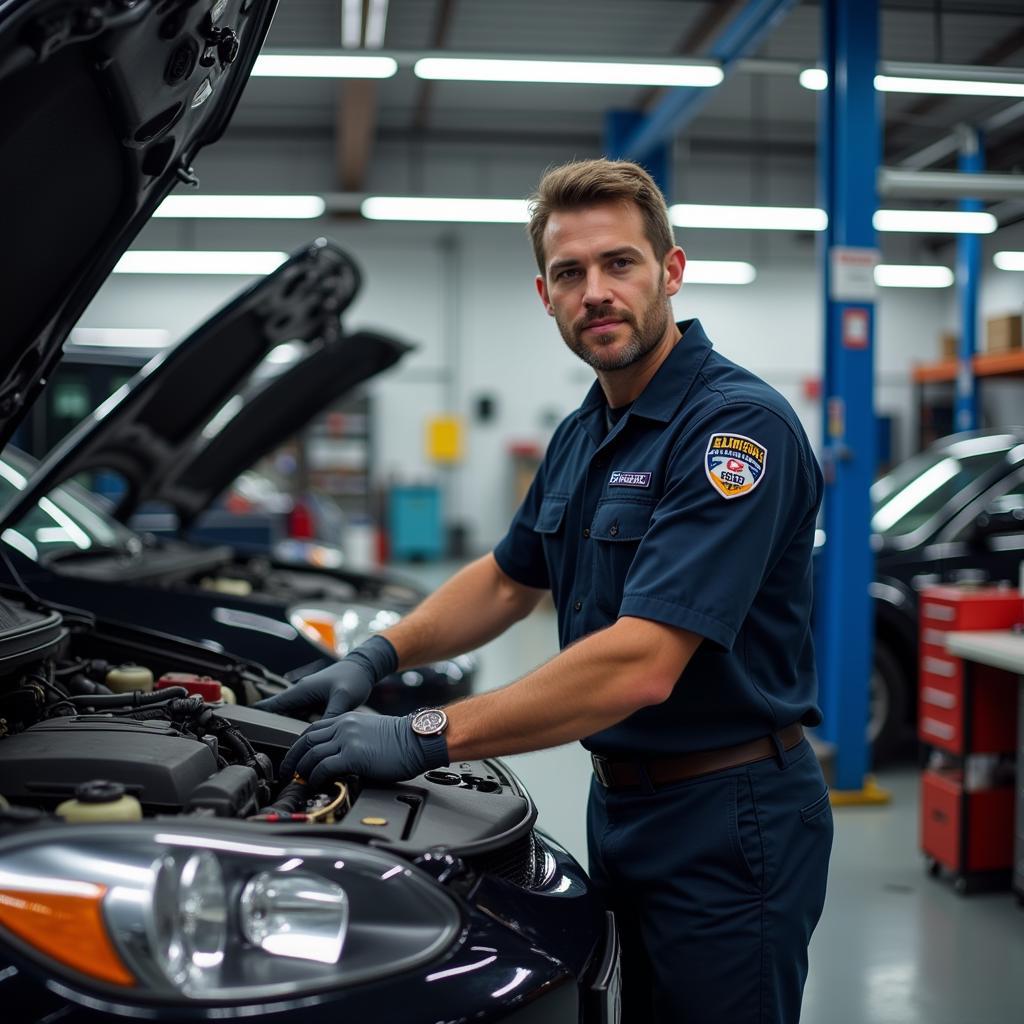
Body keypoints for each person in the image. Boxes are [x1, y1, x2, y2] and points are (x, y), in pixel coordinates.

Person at [256, 158, 833, 1024]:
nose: (596, 291)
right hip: (623, 803)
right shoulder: (584, 431)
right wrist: (377, 653)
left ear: (670, 271)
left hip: (728, 816)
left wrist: (422, 732)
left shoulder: (733, 430)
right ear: (545, 293)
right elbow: (505, 578)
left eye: (620, 264)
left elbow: (639, 665)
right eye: (571, 273)